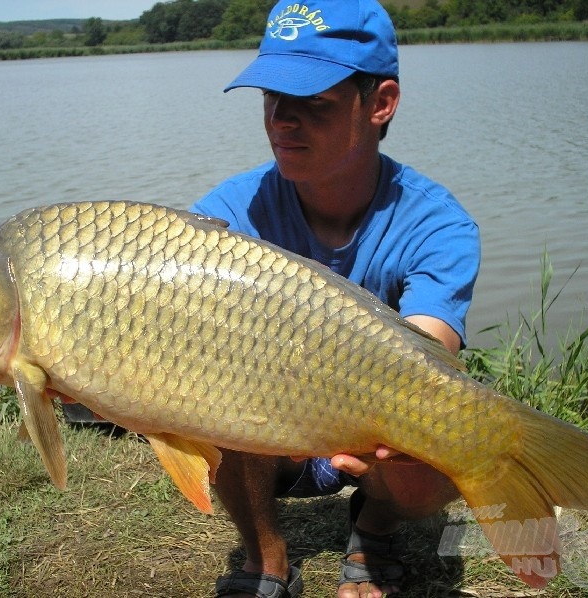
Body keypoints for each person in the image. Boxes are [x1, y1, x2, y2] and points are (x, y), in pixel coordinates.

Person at [191, 1, 480, 596]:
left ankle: (372, 528)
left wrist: (382, 433)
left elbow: (430, 350)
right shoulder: (227, 214)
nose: (281, 121)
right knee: (207, 384)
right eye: (271, 98)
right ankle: (266, 558)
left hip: (369, 429)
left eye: (312, 103)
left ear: (380, 103)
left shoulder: (439, 224)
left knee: (432, 425)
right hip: (265, 432)